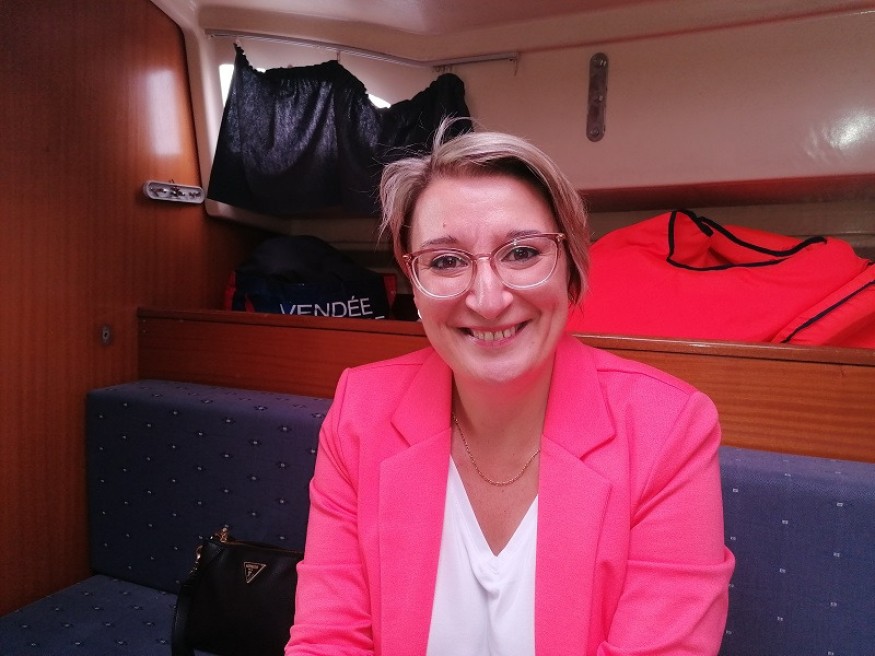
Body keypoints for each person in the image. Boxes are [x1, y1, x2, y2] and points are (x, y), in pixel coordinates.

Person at [286, 120, 734, 655]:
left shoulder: (668, 428)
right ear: (414, 283)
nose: (489, 299)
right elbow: (329, 638)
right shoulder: (361, 410)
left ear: (570, 266)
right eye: (446, 261)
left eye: (522, 252)